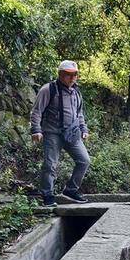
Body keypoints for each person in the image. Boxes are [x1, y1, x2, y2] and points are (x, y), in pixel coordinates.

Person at [30, 60, 91, 207]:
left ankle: (70, 189)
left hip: (73, 133)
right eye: (68, 75)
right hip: (52, 132)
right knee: (50, 164)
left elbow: (79, 113)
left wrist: (84, 129)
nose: (72, 78)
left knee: (84, 161)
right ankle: (47, 195)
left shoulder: (76, 93)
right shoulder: (48, 89)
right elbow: (37, 111)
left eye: (75, 75)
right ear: (60, 74)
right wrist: (36, 130)